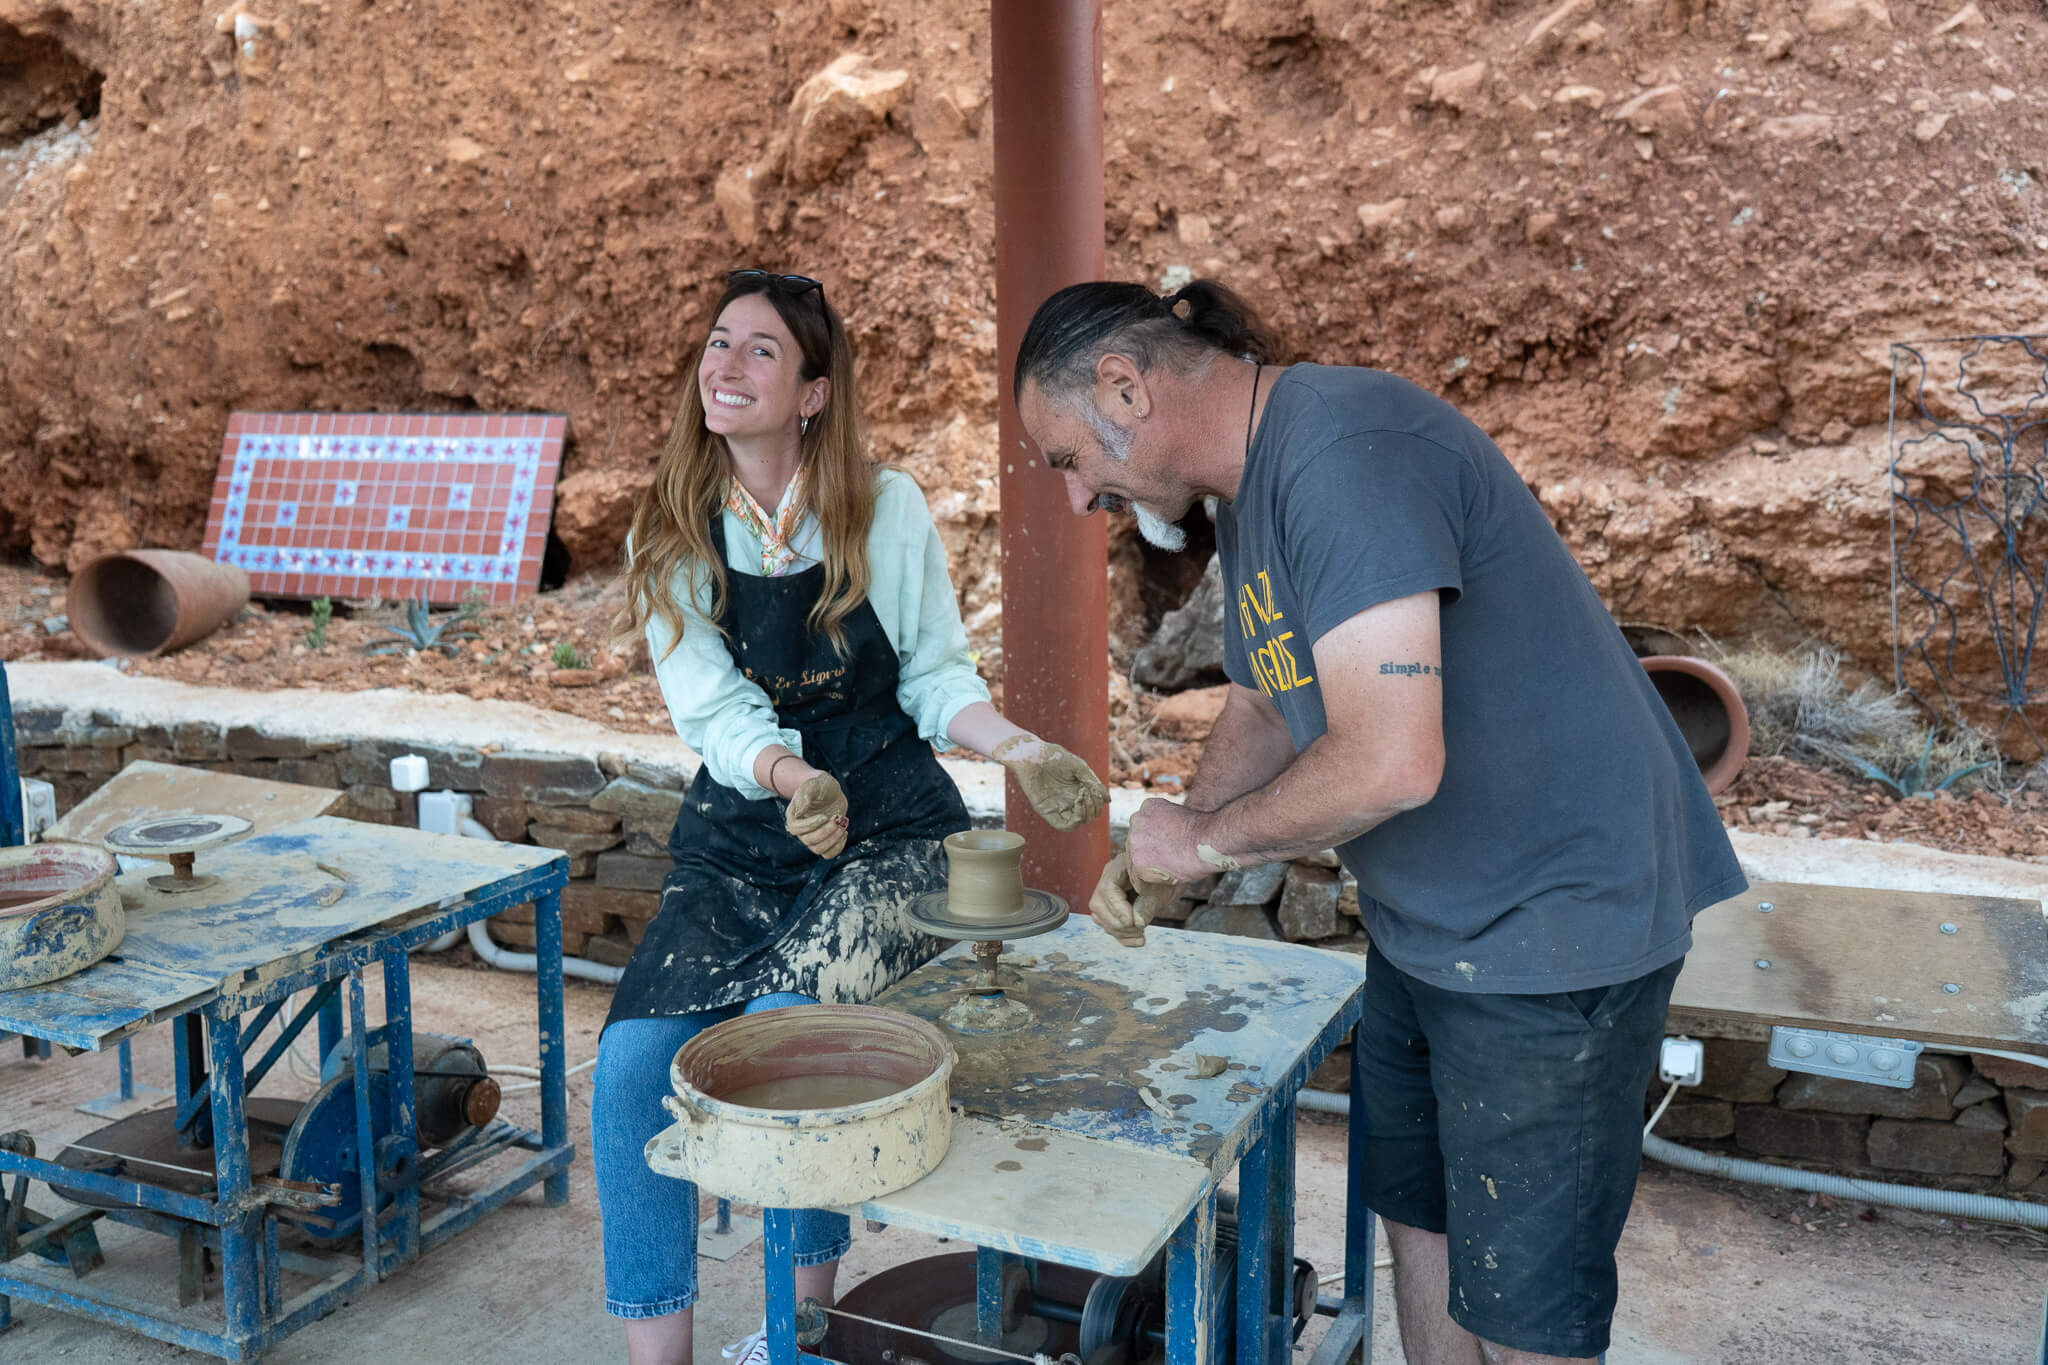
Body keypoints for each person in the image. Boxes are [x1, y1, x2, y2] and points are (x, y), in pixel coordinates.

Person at [1011, 279, 1745, 1365]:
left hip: (1551, 927)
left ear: (1123, 388)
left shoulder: (1344, 455)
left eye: (1068, 461)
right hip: (1433, 924)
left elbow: (1393, 759)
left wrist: (1207, 843)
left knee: (1524, 1310)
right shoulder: (1251, 489)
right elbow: (1269, 695)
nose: (1079, 500)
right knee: (1423, 1226)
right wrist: (1186, 826)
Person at [595, 268, 1108, 1365]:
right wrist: (787, 779)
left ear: (813, 392)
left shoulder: (885, 507)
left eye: (760, 352)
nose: (723, 368)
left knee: (793, 1040)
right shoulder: (673, 526)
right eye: (717, 344)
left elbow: (932, 677)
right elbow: (710, 708)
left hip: (886, 829)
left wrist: (1019, 749)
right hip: (746, 826)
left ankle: (797, 1338)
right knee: (631, 1070)